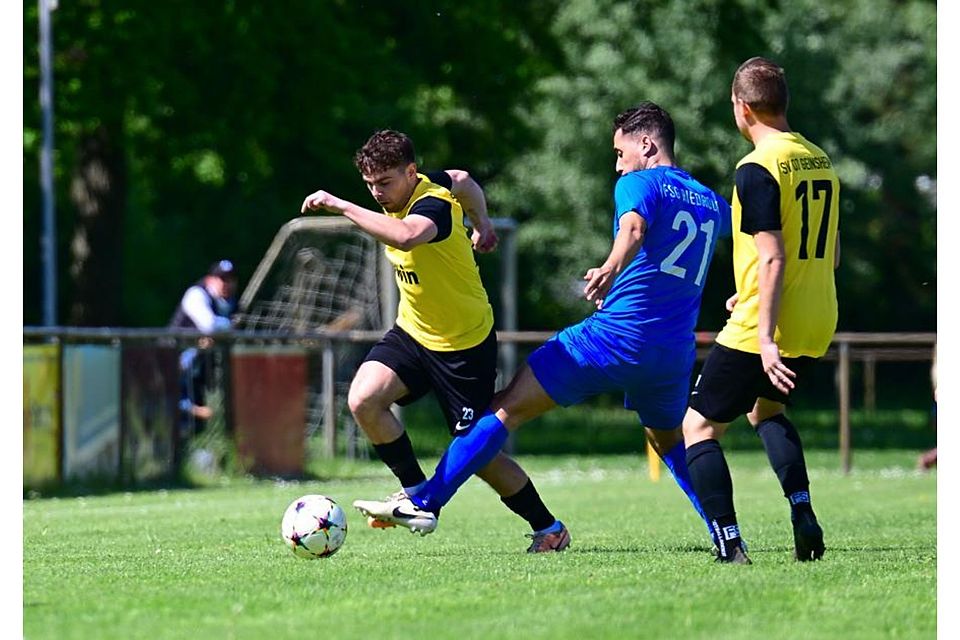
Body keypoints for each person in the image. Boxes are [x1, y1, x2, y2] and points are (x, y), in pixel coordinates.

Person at [352, 103, 732, 551]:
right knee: (670, 442)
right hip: (672, 352)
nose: (617, 163)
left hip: (611, 337)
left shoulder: (639, 181)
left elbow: (632, 228)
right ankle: (724, 532)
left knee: (505, 410)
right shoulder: (710, 200)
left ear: (646, 144)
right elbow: (753, 237)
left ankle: (428, 501)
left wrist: (610, 266)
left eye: (619, 151)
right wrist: (750, 290)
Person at [300, 129, 565, 552]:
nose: (377, 193)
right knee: (363, 399)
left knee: (481, 457)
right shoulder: (442, 185)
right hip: (413, 332)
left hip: (463, 347)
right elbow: (463, 178)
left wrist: (339, 204)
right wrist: (483, 225)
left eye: (385, 183)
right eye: (369, 186)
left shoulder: (433, 205)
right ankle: (416, 495)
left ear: (411, 172)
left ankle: (549, 527)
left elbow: (405, 235)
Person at [681, 57, 841, 564]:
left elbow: (774, 254)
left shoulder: (756, 167)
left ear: (742, 108)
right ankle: (803, 512)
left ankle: (729, 542)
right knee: (765, 410)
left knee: (699, 427)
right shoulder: (819, 159)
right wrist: (750, 289)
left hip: (765, 328)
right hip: (818, 318)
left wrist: (766, 335)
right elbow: (826, 253)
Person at [169, 259, 238, 437]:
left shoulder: (230, 305)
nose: (225, 284)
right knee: (177, 419)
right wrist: (230, 325)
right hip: (174, 364)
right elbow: (209, 325)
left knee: (198, 428)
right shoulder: (196, 294)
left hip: (198, 373)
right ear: (210, 280)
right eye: (221, 279)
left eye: (230, 279)